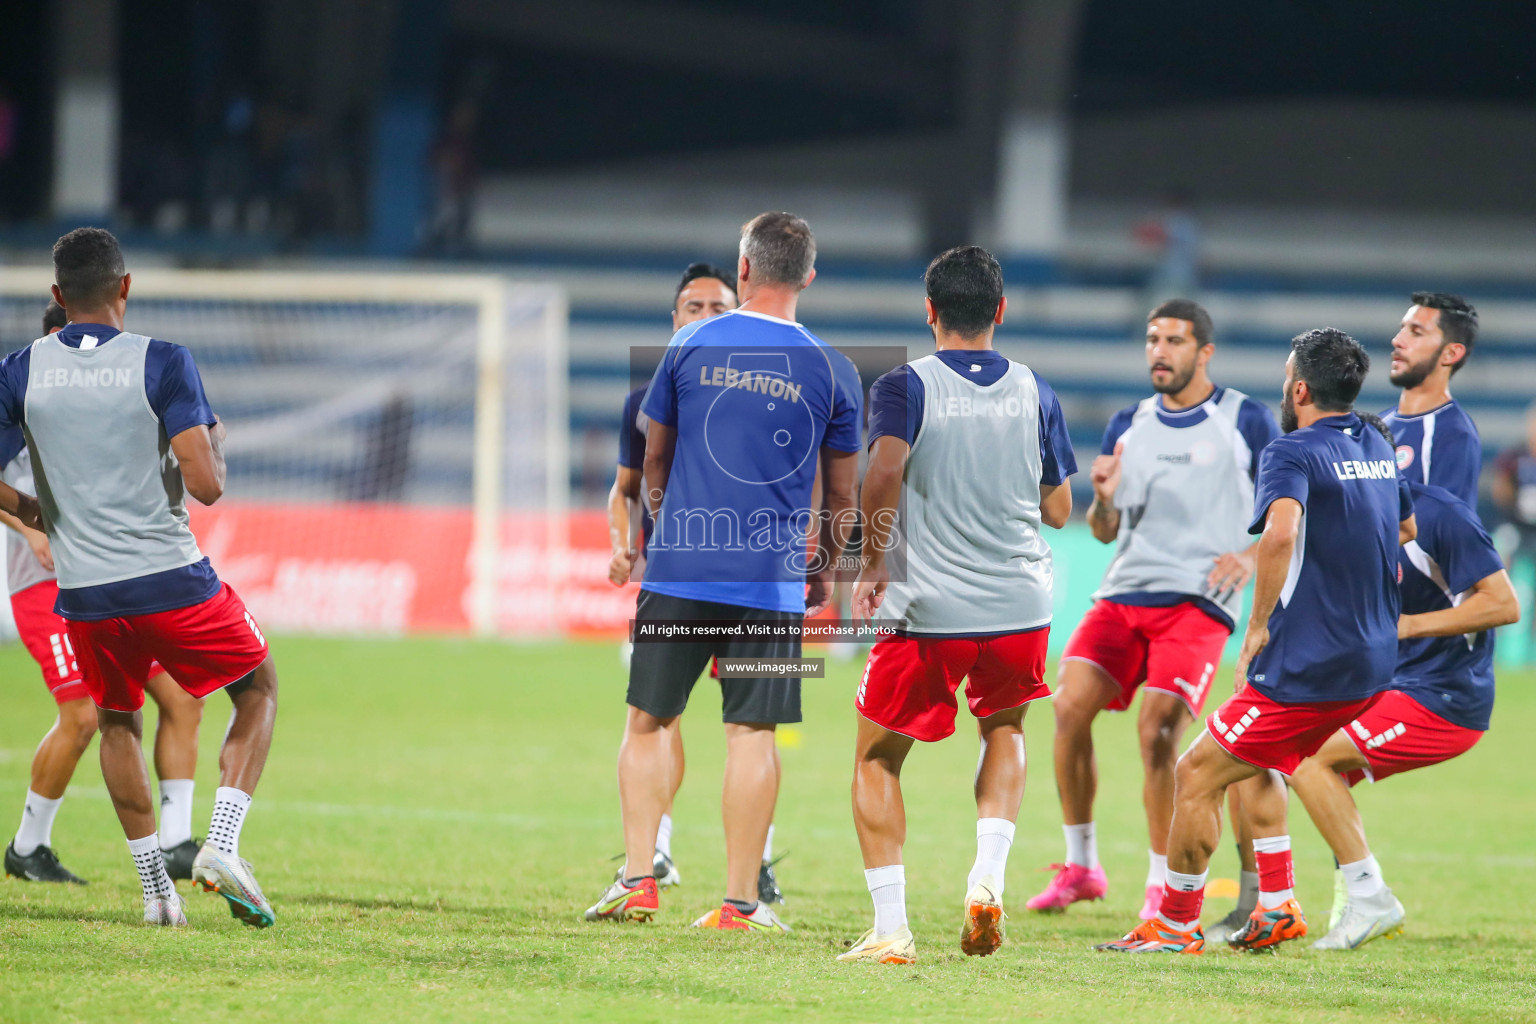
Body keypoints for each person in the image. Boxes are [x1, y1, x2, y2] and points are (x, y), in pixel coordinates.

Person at [1096, 327, 1415, 954]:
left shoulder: (1291, 451)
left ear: (1299, 388)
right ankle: (1284, 902)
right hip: (1374, 657)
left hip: (1310, 662)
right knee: (1262, 759)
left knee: (1195, 772)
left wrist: (1259, 625)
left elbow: (1279, 533)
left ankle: (1175, 923)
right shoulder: (1377, 442)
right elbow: (1403, 526)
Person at [585, 212, 861, 932]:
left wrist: (669, 524)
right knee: (751, 735)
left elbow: (653, 460)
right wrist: (825, 571)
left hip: (680, 569)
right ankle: (740, 902)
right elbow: (840, 498)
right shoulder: (833, 368)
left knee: (647, 722)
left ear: (743, 272)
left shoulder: (688, 344)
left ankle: (639, 879)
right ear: (807, 275)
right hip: (770, 582)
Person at [0, 228, 279, 928]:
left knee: (117, 719)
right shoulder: (164, 361)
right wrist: (213, 441)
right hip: (170, 581)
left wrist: (31, 511)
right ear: (125, 287)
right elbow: (207, 487)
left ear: (59, 296)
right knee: (257, 688)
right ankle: (219, 845)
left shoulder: (19, 371)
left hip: (85, 597)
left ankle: (158, 892)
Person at [836, 246, 1076, 965]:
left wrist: (872, 559)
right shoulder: (1037, 389)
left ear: (930, 311)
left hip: (930, 608)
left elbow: (883, 468)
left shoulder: (907, 385)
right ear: (1000, 311)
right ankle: (987, 879)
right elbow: (1059, 509)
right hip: (1019, 606)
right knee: (1005, 728)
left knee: (877, 758)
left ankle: (891, 930)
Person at [1026, 300, 1278, 921]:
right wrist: (1105, 501)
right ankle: (1081, 865)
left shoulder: (1245, 419)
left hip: (1197, 601)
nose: (1159, 351)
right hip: (1124, 593)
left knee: (1158, 730)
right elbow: (1104, 531)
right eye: (1151, 340)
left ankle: (1162, 885)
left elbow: (1285, 510)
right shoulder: (1128, 423)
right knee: (1067, 706)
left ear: (1205, 351)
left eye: (1173, 340)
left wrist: (1248, 557)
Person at [2, 300, 206, 886]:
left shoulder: (107, 407)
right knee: (84, 714)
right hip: (44, 588)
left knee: (183, 698)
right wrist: (27, 527)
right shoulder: (22, 402)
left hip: (109, 584)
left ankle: (174, 843)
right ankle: (27, 845)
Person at [606, 262, 784, 902]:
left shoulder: (767, 395)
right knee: (667, 718)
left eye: (720, 307)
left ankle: (752, 867)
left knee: (748, 727)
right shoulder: (644, 403)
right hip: (691, 581)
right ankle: (658, 854)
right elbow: (625, 489)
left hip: (737, 581)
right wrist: (624, 546)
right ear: (674, 320)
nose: (706, 317)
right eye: (694, 308)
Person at [1284, 468, 1519, 949]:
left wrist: (1409, 626)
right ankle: (1269, 903)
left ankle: (1371, 900)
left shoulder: (1442, 517)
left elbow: (1503, 604)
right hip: (1384, 684)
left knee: (1310, 761)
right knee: (1269, 751)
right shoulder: (1349, 518)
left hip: (1444, 696)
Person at [1381, 292, 1481, 506]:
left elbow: (1444, 530)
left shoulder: (1453, 435)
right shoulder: (1378, 426)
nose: (1397, 340)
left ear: (1451, 354)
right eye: (1402, 329)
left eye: (1416, 333)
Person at [1490, 403, 1536, 658]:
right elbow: (1501, 489)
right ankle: (1512, 657)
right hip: (1521, 532)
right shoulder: (1516, 456)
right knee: (1521, 594)